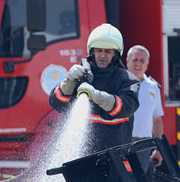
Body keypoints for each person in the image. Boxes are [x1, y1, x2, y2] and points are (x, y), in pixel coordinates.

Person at [49, 23, 140, 151]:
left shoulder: (128, 81)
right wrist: (68, 81)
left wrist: (97, 96)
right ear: (92, 52)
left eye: (108, 51)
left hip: (114, 160)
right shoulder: (81, 74)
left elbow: (125, 108)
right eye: (98, 50)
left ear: (116, 54)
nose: (102, 55)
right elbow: (57, 103)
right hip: (80, 157)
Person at [126, 45, 164, 173]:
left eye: (142, 61)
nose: (138, 64)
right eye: (135, 59)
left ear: (147, 64)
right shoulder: (120, 83)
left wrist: (158, 148)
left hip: (144, 145)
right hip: (123, 142)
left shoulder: (153, 87)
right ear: (127, 61)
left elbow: (157, 120)